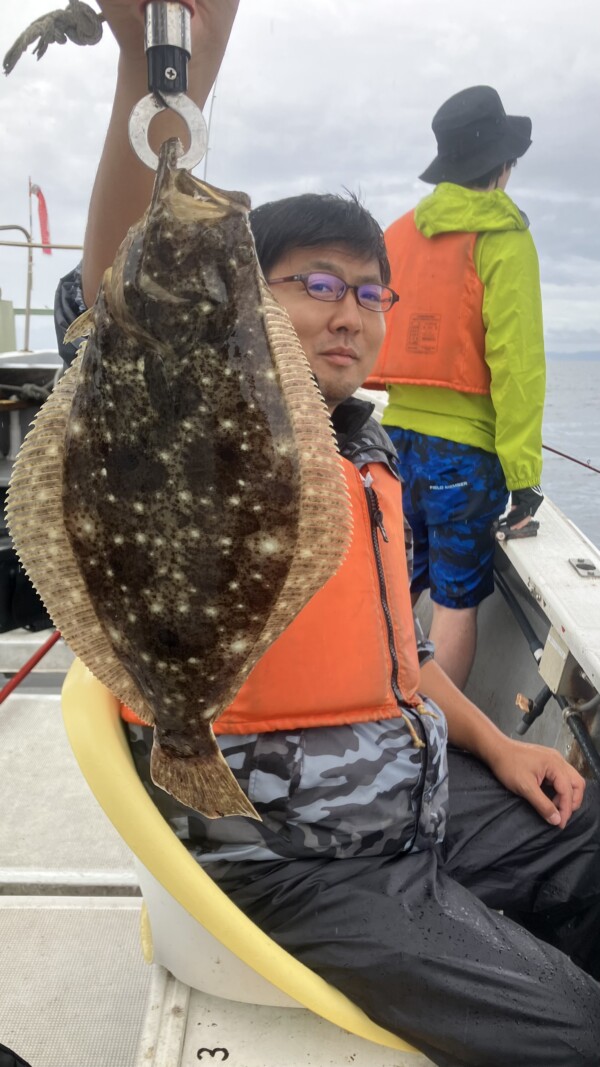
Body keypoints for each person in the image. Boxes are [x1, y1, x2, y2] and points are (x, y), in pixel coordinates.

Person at [55, 7, 600, 1065]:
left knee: (591, 840)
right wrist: (159, 70)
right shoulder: (205, 429)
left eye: (367, 291)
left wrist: (502, 741)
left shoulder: (370, 454)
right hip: (296, 853)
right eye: (312, 283)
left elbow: (398, 655)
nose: (348, 311)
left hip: (418, 795)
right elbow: (124, 304)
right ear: (239, 305)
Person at [365, 86, 546, 690]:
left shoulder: (396, 234)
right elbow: (517, 364)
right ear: (501, 168)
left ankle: (379, 715)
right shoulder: (504, 236)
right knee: (455, 602)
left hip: (391, 442)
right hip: (464, 457)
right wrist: (522, 479)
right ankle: (442, 743)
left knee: (391, 586)